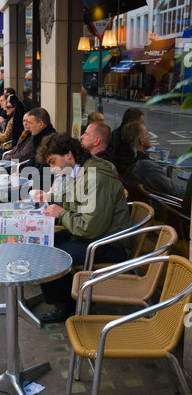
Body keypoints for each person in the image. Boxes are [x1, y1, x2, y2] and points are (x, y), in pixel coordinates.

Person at [34, 132, 131, 323]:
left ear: (68, 154)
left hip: (108, 244)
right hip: (92, 237)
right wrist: (48, 198)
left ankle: (66, 303)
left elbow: (89, 228)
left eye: (53, 162)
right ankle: (70, 294)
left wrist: (60, 213)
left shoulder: (96, 178)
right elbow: (73, 201)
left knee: (50, 253)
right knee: (41, 242)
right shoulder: (82, 169)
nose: (52, 169)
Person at [117, 121, 185, 199]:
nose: (149, 136)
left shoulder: (126, 159)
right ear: (141, 140)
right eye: (146, 134)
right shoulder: (147, 166)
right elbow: (176, 191)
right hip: (162, 208)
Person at [25, 107, 56, 190]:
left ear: (41, 124)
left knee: (6, 194)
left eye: (30, 123)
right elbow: (32, 160)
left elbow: (44, 172)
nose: (28, 127)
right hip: (33, 181)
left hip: (42, 187)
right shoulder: (37, 138)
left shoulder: (51, 142)